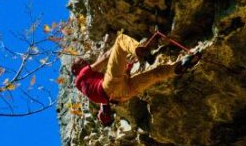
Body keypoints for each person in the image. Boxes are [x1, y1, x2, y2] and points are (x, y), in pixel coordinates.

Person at [71, 31, 200, 125]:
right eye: (80, 62)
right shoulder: (81, 76)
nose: (84, 61)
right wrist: (132, 51)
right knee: (121, 40)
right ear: (76, 69)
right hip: (110, 87)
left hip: (122, 94)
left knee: (155, 74)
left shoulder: (87, 88)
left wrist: (127, 67)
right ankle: (140, 49)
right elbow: (103, 58)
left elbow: (111, 92)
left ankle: (179, 68)